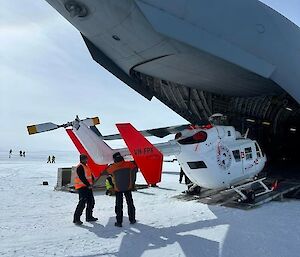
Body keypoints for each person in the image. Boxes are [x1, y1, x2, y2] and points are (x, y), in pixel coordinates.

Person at [105, 152, 137, 227]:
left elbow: (107, 172)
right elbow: (135, 167)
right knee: (130, 203)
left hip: (118, 188)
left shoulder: (112, 167)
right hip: (128, 187)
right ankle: (132, 219)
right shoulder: (129, 164)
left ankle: (119, 222)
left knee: (119, 205)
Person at [73, 154, 97, 225]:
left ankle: (89, 217)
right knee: (82, 203)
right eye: (85, 159)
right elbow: (82, 177)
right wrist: (88, 184)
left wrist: (92, 182)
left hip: (87, 187)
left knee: (91, 202)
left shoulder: (86, 166)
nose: (86, 160)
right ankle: (76, 219)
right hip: (82, 187)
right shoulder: (80, 166)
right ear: (81, 159)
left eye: (86, 159)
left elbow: (90, 176)